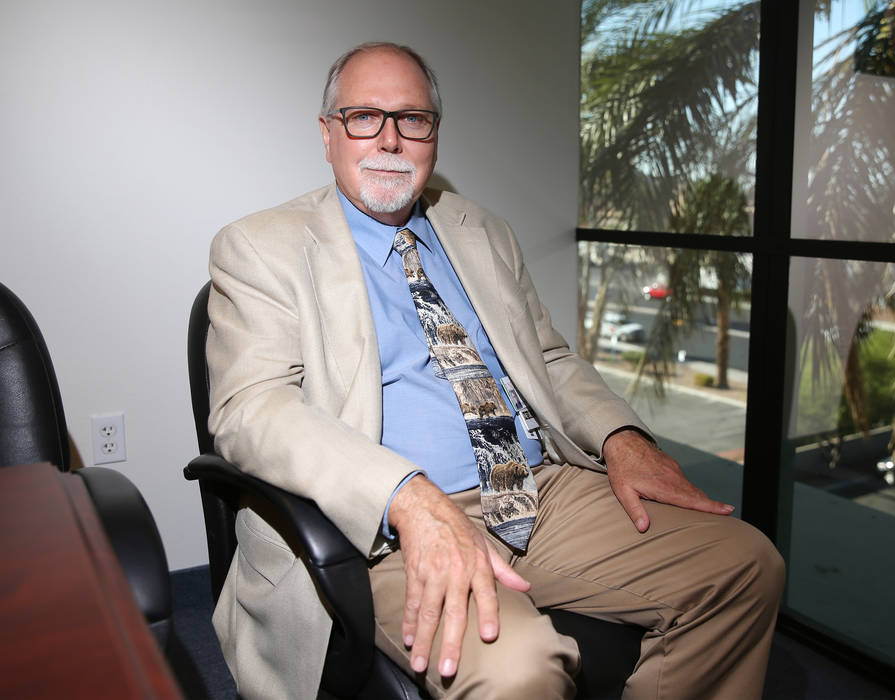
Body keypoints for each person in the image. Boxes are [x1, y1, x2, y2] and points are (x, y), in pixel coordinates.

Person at [206, 41, 784, 699]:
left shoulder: (481, 230)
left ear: (435, 135)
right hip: (387, 526)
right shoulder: (261, 247)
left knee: (743, 564)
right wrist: (406, 494)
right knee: (519, 672)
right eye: (364, 117)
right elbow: (252, 410)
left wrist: (623, 439)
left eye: (412, 119)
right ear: (328, 134)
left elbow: (551, 359)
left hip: (536, 487)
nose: (390, 139)